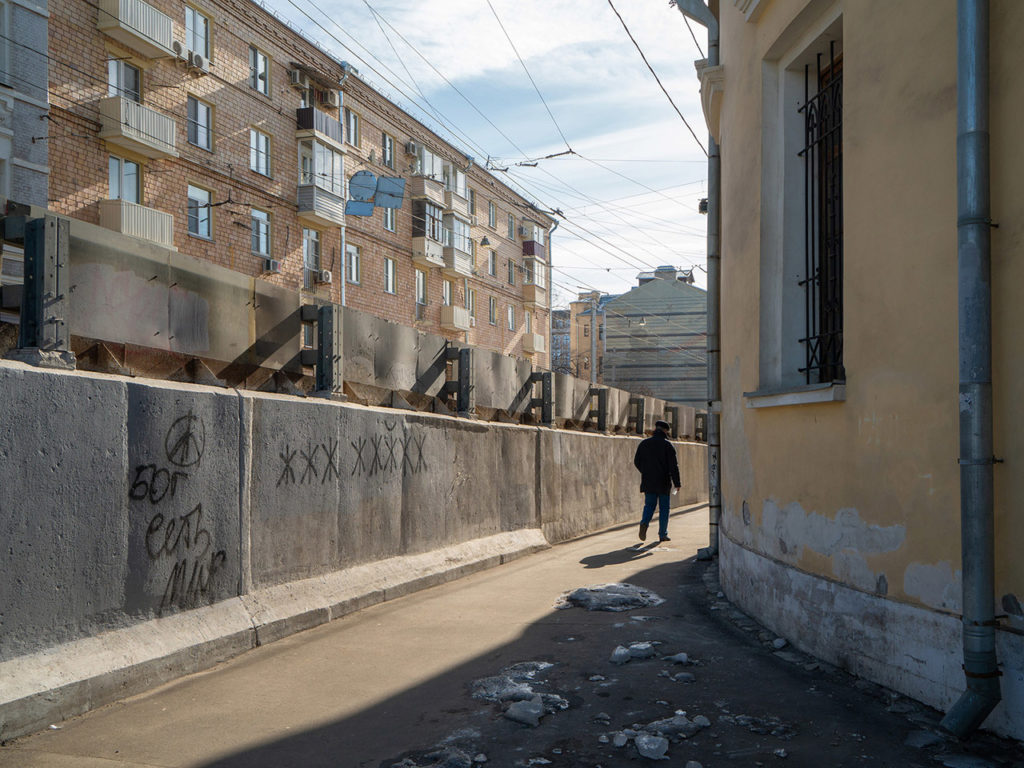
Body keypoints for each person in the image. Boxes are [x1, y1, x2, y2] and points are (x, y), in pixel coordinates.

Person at [633, 419, 681, 542]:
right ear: (665, 431)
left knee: (649, 505)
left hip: (648, 481)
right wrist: (677, 483)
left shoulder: (644, 444)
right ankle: (662, 534)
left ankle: (644, 523)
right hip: (663, 482)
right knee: (664, 508)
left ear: (655, 429)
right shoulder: (667, 445)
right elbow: (673, 466)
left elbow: (637, 461)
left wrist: (646, 472)